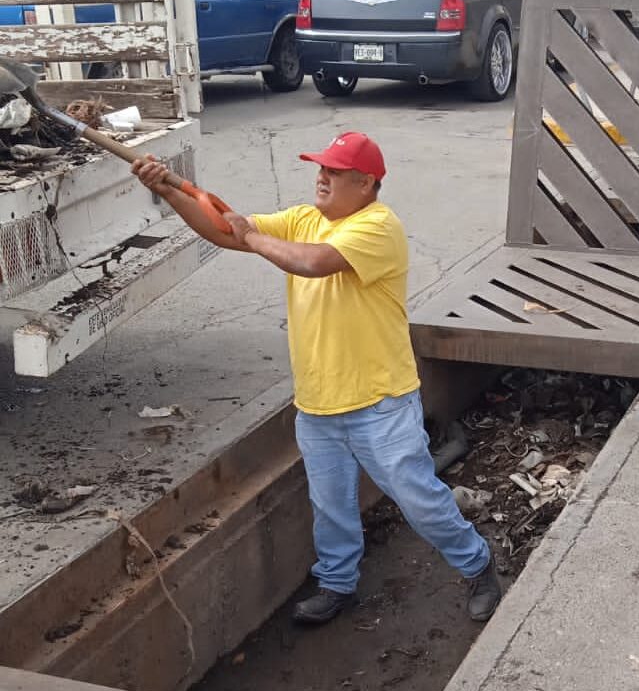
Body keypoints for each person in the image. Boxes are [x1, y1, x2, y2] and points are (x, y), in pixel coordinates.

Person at [131, 131, 502, 624]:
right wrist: (170, 190)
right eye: (320, 167)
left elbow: (312, 263)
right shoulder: (305, 219)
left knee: (419, 499)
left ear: (367, 183)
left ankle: (478, 565)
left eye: (334, 171)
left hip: (380, 403)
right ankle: (337, 583)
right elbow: (222, 229)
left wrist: (252, 235)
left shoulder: (377, 227)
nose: (321, 177)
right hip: (318, 404)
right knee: (330, 506)